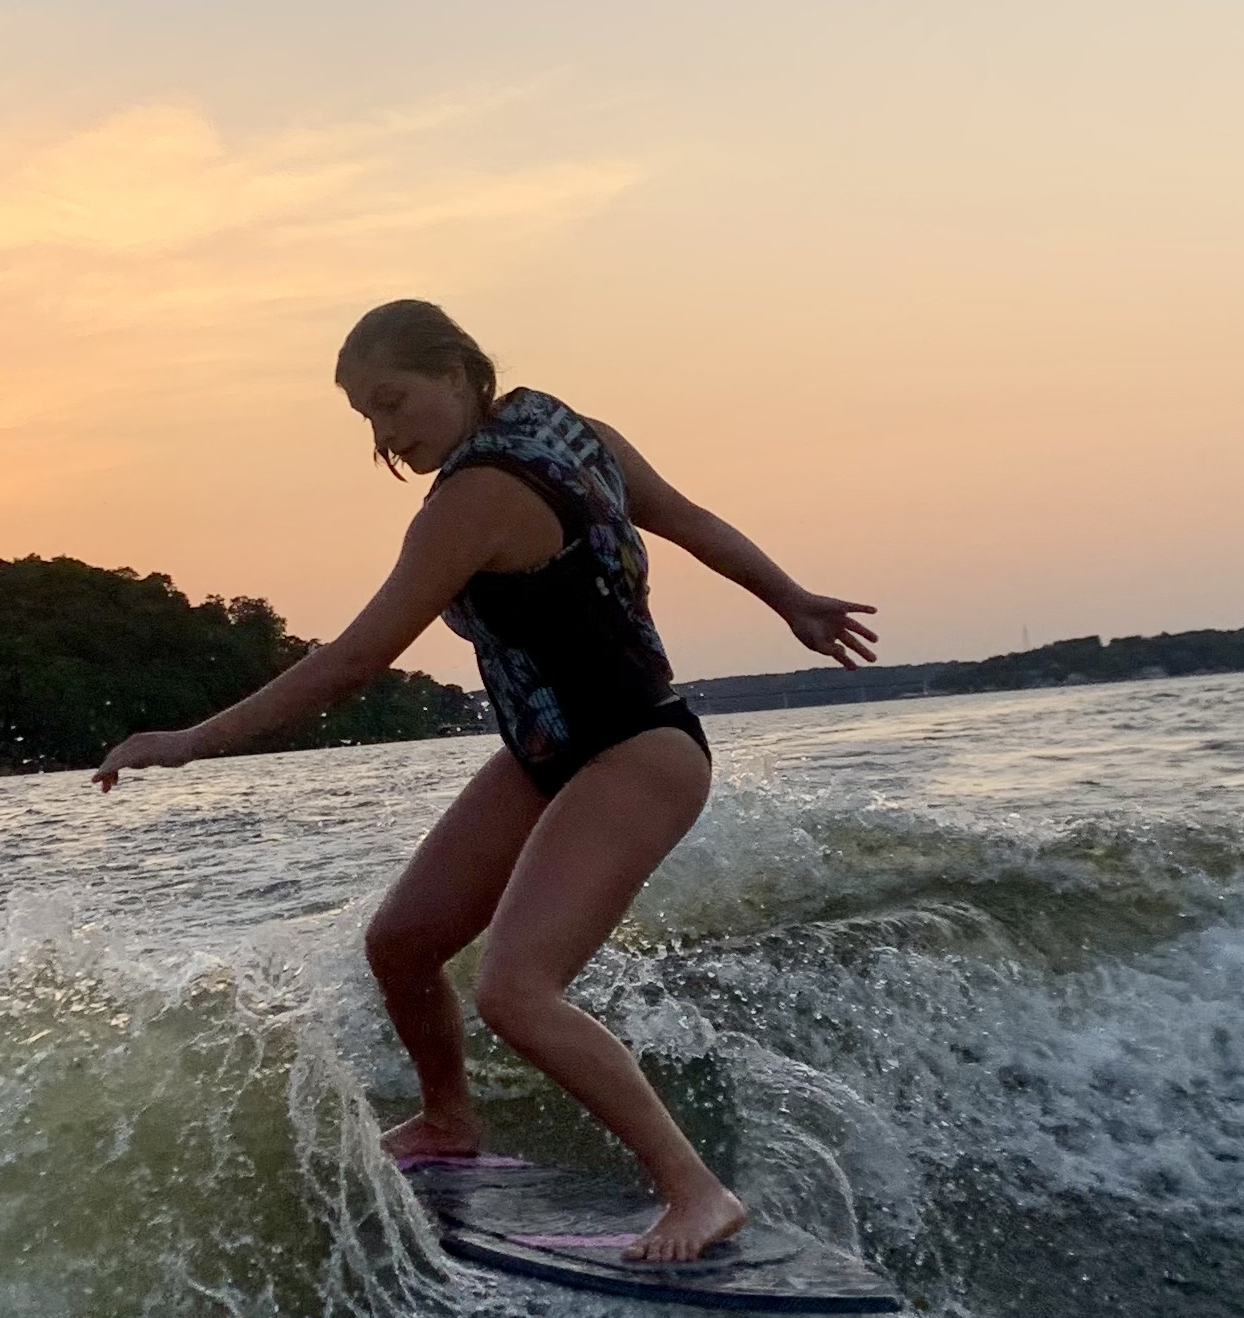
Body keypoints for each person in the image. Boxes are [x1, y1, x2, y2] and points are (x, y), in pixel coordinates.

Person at [95, 300, 874, 1260]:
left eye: (395, 401)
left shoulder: (473, 502)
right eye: (365, 418)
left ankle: (696, 1192)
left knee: (516, 991)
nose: (386, 433)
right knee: (404, 943)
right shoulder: (569, 429)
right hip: (547, 752)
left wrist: (191, 740)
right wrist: (790, 598)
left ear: (460, 371)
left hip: (638, 750)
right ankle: (448, 1122)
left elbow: (352, 663)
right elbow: (690, 521)